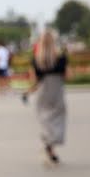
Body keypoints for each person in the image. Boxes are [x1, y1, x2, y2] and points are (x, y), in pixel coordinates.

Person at [25, 30, 67, 165]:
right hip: (56, 91)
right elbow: (68, 76)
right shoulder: (61, 58)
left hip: (43, 92)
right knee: (58, 119)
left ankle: (48, 142)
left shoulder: (37, 60)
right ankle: (51, 145)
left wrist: (28, 92)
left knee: (45, 119)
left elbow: (35, 81)